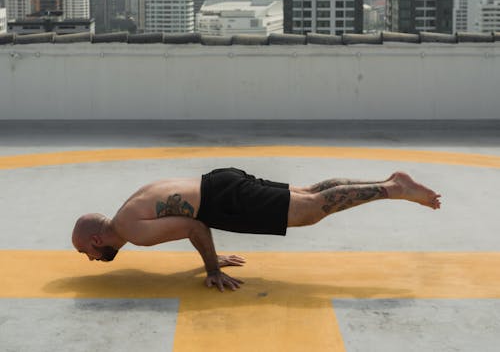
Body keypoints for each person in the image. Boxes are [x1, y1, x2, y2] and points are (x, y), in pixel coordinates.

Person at [72, 167, 441, 292]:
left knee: (309, 211)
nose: (88, 258)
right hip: (220, 181)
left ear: (95, 240)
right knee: (311, 193)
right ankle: (389, 181)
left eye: (84, 252)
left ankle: (394, 189)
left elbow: (193, 225)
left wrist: (213, 268)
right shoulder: (128, 206)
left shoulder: (131, 228)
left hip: (224, 199)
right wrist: (213, 257)